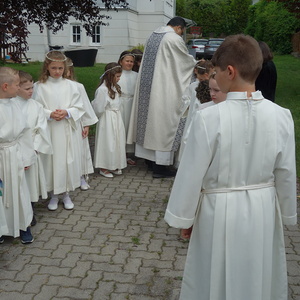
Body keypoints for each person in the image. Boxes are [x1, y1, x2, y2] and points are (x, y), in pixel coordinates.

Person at [164, 34, 297, 300]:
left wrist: (183, 217)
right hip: (263, 209)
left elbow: (191, 175)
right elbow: (286, 172)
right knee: (257, 271)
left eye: (216, 71)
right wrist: (287, 213)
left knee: (215, 274)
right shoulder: (281, 116)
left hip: (218, 211)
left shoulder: (207, 118)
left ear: (230, 71)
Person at [127, 16, 196, 178]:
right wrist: (196, 64)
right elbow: (184, 62)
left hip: (148, 87)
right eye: (182, 32)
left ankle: (150, 161)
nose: (181, 35)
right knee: (163, 124)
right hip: (163, 88)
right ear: (179, 28)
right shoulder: (173, 39)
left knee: (150, 122)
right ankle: (160, 166)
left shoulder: (153, 35)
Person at [33, 51, 85, 211]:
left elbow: (79, 106)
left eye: (60, 68)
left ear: (65, 68)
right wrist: (49, 114)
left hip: (66, 129)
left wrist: (67, 112)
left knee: (66, 161)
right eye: (53, 68)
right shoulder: (39, 86)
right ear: (46, 67)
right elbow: (35, 108)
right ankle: (53, 195)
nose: (57, 71)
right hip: (50, 130)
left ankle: (66, 193)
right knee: (52, 162)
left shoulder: (73, 86)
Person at [0, 67, 36, 244]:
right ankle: (2, 228)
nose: (19, 88)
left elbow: (25, 132)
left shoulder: (14, 103)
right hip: (1, 155)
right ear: (5, 86)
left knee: (19, 190)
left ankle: (23, 225)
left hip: (14, 154)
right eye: (16, 85)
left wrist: (27, 156)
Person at [11, 71, 52, 226]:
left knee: (30, 183)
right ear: (17, 88)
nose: (31, 91)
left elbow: (42, 128)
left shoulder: (36, 106)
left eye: (31, 88)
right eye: (27, 89)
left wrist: (33, 149)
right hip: (13, 151)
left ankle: (30, 210)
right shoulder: (10, 105)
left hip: (31, 151)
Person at [65, 58, 98, 191]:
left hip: (75, 123)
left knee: (80, 151)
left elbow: (84, 106)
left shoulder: (78, 87)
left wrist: (87, 124)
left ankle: (81, 176)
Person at [92, 63, 127, 178]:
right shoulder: (102, 90)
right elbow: (98, 107)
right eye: (117, 76)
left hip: (116, 117)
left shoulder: (114, 87)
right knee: (107, 142)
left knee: (117, 141)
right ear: (109, 75)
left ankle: (115, 164)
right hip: (107, 119)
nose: (118, 79)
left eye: (119, 76)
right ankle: (104, 166)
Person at [118, 50, 138, 165]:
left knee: (129, 128)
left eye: (131, 61)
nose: (129, 63)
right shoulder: (117, 73)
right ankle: (120, 153)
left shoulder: (136, 75)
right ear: (121, 62)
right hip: (121, 103)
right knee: (122, 127)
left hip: (132, 103)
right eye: (127, 61)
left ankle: (128, 153)